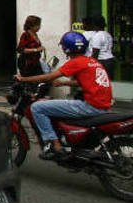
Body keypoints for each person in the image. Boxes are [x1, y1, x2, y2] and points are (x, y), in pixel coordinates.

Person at [15, 31, 113, 160]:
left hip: (90, 106)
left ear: (67, 48)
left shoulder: (76, 62)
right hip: (103, 104)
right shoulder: (91, 61)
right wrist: (64, 83)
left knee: (37, 108)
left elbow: (49, 76)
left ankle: (55, 145)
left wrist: (23, 79)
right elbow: (85, 82)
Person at [89, 15, 115, 80]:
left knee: (100, 83)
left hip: (102, 62)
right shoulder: (108, 34)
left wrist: (90, 65)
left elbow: (95, 53)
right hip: (110, 61)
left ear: (94, 24)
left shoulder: (98, 36)